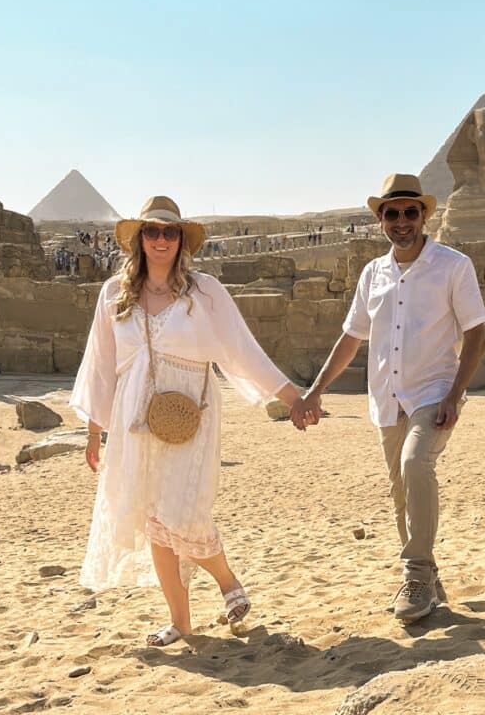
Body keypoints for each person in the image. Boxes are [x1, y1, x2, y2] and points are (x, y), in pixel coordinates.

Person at [70, 195, 311, 648]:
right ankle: (181, 623)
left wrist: (292, 397)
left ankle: (226, 580)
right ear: (139, 239)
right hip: (132, 420)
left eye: (170, 232)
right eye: (152, 231)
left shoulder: (205, 292)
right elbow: (100, 366)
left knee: (185, 514)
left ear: (182, 240)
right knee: (154, 519)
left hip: (190, 415)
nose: (161, 240)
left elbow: (243, 351)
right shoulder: (112, 294)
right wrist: (94, 432)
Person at [297, 174, 485, 624]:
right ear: (381, 220)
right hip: (388, 396)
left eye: (410, 212)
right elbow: (351, 338)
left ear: (424, 216)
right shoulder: (372, 274)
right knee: (400, 491)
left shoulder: (453, 266)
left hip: (434, 392)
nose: (402, 221)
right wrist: (315, 390)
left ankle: (416, 575)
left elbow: (477, 332)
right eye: (392, 213)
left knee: (415, 464)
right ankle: (429, 577)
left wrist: (455, 395)